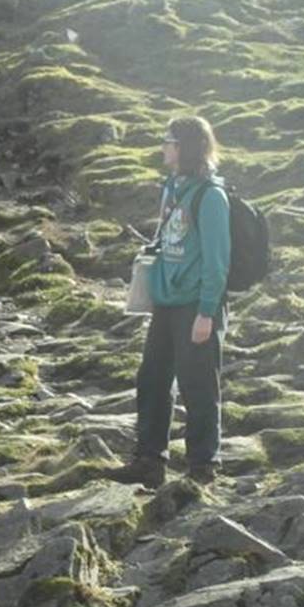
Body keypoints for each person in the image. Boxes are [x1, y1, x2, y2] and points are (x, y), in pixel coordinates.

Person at [104, 115, 231, 488]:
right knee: (153, 378)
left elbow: (217, 261)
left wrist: (207, 312)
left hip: (196, 304)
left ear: (186, 147)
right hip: (167, 301)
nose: (163, 146)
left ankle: (203, 466)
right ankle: (150, 460)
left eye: (169, 140)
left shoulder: (211, 197)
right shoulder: (174, 188)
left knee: (199, 384)